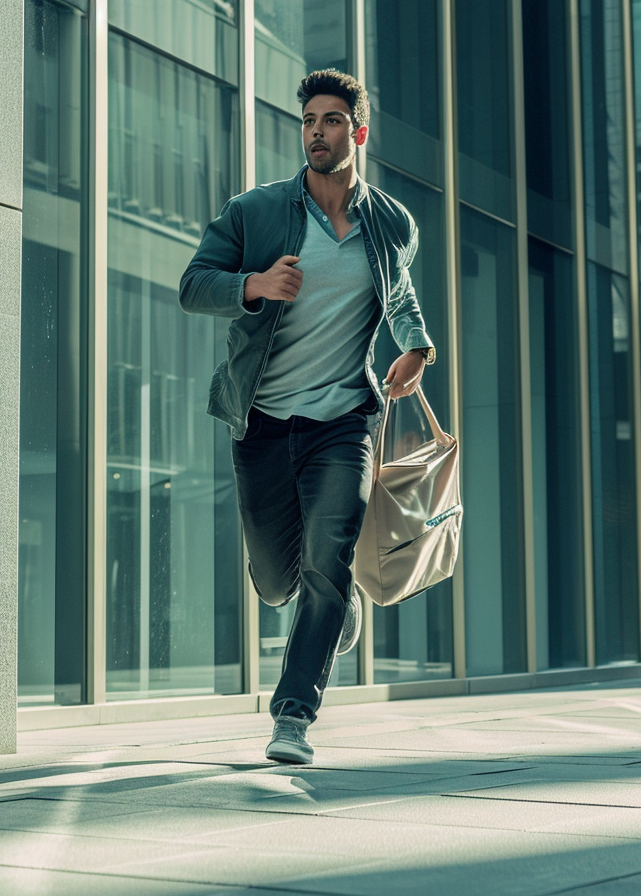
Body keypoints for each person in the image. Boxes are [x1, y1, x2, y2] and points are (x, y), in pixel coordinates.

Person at [179, 69, 436, 764]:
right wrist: (253, 287)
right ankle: (330, 604)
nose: (316, 132)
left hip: (343, 423)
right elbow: (193, 285)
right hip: (261, 422)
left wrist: (418, 345)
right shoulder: (256, 212)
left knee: (330, 558)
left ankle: (292, 717)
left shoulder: (391, 222)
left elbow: (400, 291)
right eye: (308, 121)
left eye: (330, 120)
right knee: (275, 581)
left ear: (358, 130)